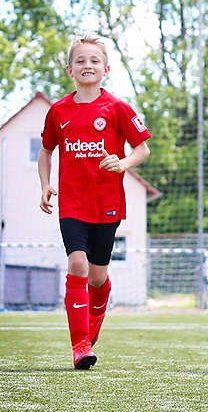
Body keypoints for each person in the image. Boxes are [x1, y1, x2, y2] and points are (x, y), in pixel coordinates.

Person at [38, 33, 151, 370]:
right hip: (72, 204)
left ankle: (93, 323)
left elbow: (143, 148)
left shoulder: (117, 108)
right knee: (77, 265)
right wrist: (45, 184)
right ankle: (79, 344)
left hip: (107, 204)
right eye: (81, 60)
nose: (88, 65)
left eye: (94, 60)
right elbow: (46, 150)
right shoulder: (58, 111)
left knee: (98, 277)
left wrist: (124, 163)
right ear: (69, 68)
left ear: (106, 68)